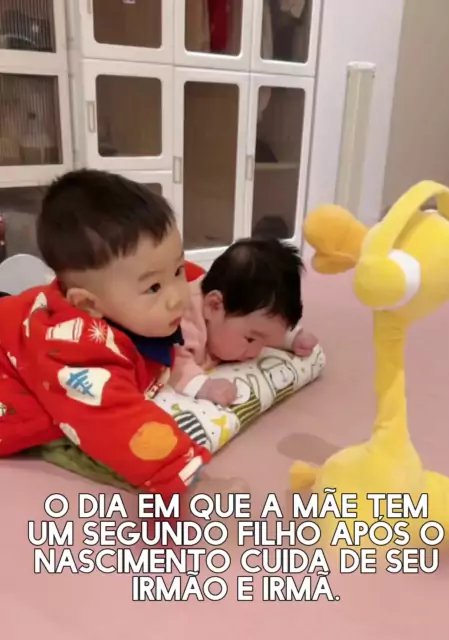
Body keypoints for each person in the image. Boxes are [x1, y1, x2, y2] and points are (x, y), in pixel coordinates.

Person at [0, 169, 210, 496]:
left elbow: (193, 276)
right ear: (87, 304)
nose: (177, 297)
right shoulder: (74, 350)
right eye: (154, 287)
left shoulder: (123, 289)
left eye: (178, 270)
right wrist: (180, 472)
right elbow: (115, 419)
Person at [170, 237, 319, 407]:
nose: (256, 352)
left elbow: (265, 326)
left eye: (265, 343)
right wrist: (203, 386)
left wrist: (291, 338)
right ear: (214, 306)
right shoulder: (183, 322)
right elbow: (170, 362)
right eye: (250, 339)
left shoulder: (235, 314)